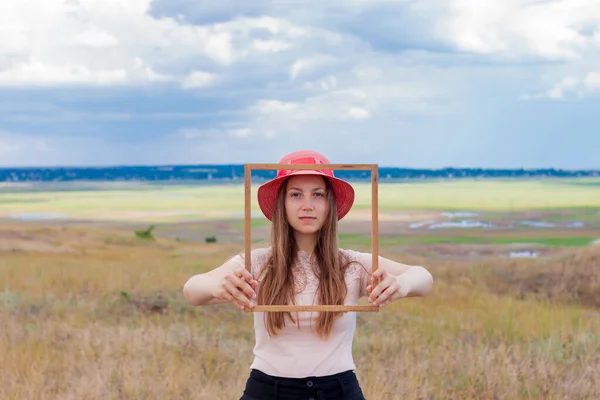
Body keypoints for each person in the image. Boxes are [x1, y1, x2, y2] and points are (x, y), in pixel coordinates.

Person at [183, 149, 433, 400]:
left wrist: (401, 284)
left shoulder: (352, 264)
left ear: (329, 203)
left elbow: (423, 277)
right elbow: (193, 289)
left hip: (339, 391)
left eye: (318, 195)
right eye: (295, 194)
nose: (307, 205)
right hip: (267, 391)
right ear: (282, 202)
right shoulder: (258, 263)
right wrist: (218, 288)